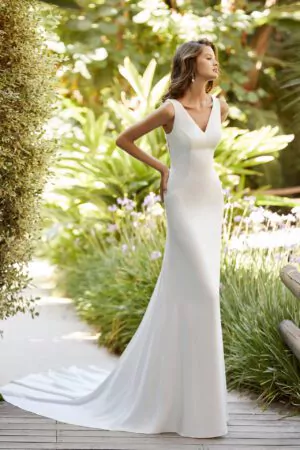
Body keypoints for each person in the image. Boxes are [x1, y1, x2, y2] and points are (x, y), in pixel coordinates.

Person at [0, 38, 230, 439]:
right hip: (181, 204)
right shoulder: (170, 110)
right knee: (206, 293)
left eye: (214, 57)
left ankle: (195, 407)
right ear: (190, 65)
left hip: (211, 202)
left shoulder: (220, 107)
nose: (215, 63)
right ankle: (181, 404)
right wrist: (162, 169)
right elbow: (124, 140)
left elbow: (207, 156)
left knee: (195, 297)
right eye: (208, 58)